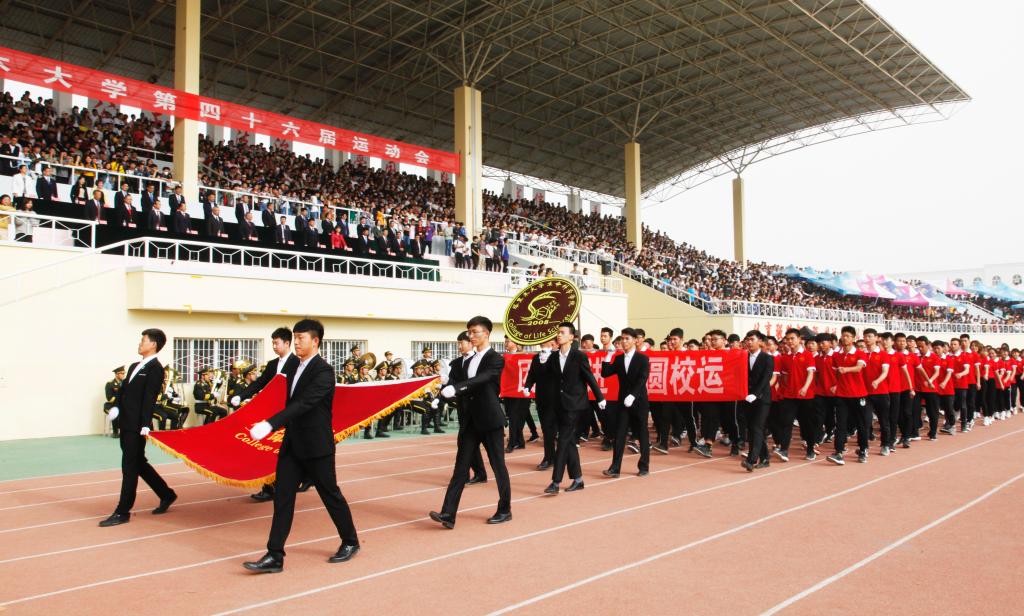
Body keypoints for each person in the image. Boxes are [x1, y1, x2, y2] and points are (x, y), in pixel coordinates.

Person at [243, 319, 360, 572]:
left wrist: (271, 424)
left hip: (316, 446)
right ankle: (275, 555)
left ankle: (350, 541)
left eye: (300, 338)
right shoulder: (293, 365)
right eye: (294, 337)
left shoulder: (324, 371)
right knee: (283, 497)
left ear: (315, 341)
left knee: (330, 495)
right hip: (292, 444)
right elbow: (276, 392)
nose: (295, 342)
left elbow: (305, 403)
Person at [430, 316, 512, 529]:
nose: (471, 336)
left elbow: (482, 379)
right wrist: (442, 393)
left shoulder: (495, 358)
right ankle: (448, 514)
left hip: (490, 419)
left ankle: (505, 509)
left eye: (475, 332)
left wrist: (457, 388)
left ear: (487, 333)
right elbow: (456, 384)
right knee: (460, 468)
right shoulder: (466, 360)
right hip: (470, 422)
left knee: (498, 466)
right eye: (469, 332)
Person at [99, 329, 178, 527]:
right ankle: (166, 494)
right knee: (138, 462)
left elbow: (149, 398)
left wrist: (144, 424)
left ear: (153, 344)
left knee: (129, 466)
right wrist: (116, 407)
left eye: (143, 340)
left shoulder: (155, 369)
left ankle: (122, 511)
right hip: (125, 422)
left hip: (136, 426)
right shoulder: (135, 366)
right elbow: (123, 391)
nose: (139, 343)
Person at [543, 322, 606, 494]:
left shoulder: (579, 356)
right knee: (569, 441)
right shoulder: (553, 357)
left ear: (571, 337)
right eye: (558, 332)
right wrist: (543, 361)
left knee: (563, 440)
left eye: (562, 332)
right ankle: (578, 479)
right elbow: (547, 377)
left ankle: (555, 482)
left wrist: (600, 397)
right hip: (559, 404)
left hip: (575, 404)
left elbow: (589, 377)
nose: (559, 335)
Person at [433, 331, 487, 483]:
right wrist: (441, 393)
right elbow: (453, 384)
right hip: (463, 407)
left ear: (470, 343)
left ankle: (474, 474)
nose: (459, 346)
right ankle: (477, 473)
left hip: (479, 407)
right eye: (458, 343)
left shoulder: (480, 361)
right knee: (466, 443)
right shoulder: (456, 363)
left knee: (475, 444)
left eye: (461, 343)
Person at [601, 327, 651, 477]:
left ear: (635, 340)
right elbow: (605, 373)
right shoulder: (618, 359)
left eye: (627, 338)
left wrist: (633, 395)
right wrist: (608, 356)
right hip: (623, 402)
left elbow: (642, 379)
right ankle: (615, 468)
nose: (624, 341)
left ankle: (644, 466)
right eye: (622, 338)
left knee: (642, 433)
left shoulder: (642, 359)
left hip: (639, 401)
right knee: (620, 433)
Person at [827, 326, 869, 466]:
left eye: (848, 336)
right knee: (841, 424)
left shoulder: (860, 353)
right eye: (843, 335)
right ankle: (838, 452)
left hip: (858, 394)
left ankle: (863, 449)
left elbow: (858, 368)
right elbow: (835, 372)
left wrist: (846, 369)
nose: (845, 338)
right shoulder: (836, 355)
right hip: (842, 394)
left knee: (861, 424)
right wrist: (835, 384)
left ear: (853, 338)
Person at [741, 331, 774, 471]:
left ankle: (751, 459)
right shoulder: (743, 357)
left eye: (752, 339)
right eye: (747, 340)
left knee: (756, 427)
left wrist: (755, 394)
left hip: (762, 398)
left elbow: (766, 378)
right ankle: (765, 458)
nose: (749, 342)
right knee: (752, 428)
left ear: (760, 342)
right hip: (747, 398)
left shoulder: (767, 358)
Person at [524, 339, 558, 470]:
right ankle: (549, 457)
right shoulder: (536, 357)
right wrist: (527, 386)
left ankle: (554, 458)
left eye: (546, 339)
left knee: (554, 430)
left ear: (553, 342)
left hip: (556, 398)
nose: (542, 341)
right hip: (541, 398)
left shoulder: (557, 356)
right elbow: (531, 374)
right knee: (546, 429)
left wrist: (550, 356)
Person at [104, 366, 126, 438]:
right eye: (122, 373)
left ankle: (126, 431)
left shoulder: (125, 383)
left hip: (124, 404)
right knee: (116, 409)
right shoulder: (110, 384)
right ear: (116, 374)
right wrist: (118, 393)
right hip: (112, 404)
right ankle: (115, 431)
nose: (124, 375)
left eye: (124, 373)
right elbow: (109, 398)